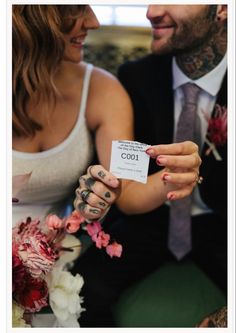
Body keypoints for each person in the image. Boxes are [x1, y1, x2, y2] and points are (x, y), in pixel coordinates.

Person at [12, 4, 201, 327]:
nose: (94, 21)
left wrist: (176, 174)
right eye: (74, 8)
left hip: (50, 271)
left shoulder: (103, 90)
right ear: (25, 17)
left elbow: (125, 190)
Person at [73, 4, 227, 327]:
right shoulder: (136, 78)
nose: (152, 11)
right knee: (82, 290)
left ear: (223, 8)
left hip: (225, 224)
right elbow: (128, 180)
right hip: (151, 219)